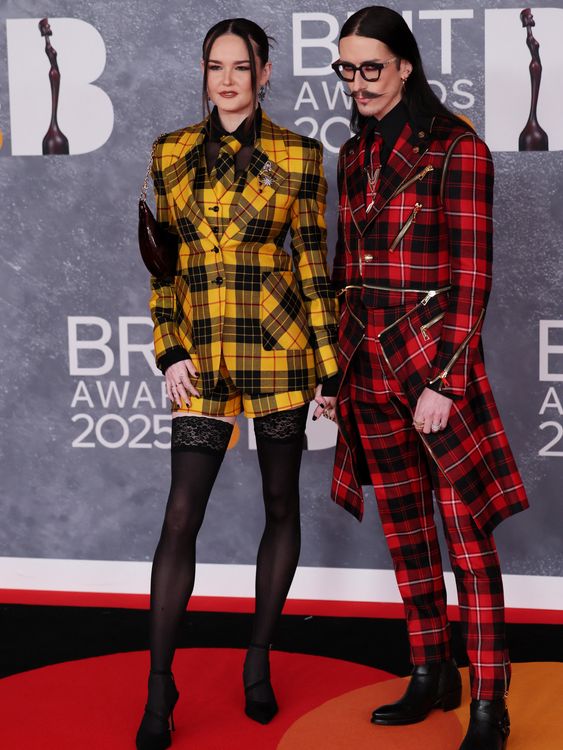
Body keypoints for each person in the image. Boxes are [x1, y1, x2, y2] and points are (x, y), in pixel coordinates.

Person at [136, 18, 339, 750]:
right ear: (204, 71)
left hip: (280, 355)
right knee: (179, 516)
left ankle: (258, 659)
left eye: (240, 67)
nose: (226, 80)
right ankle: (159, 688)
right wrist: (168, 353)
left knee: (280, 503)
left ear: (265, 73)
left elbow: (314, 264)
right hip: (204, 358)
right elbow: (162, 269)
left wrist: (329, 366)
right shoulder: (170, 154)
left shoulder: (299, 155)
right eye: (215, 66)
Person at [329, 7, 528, 750]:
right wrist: (335, 367)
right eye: (346, 70)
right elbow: (346, 270)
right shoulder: (351, 157)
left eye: (370, 68)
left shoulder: (457, 150)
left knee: (465, 541)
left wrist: (445, 382)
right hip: (368, 372)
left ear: (405, 66)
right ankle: (428, 672)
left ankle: (488, 702)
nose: (357, 83)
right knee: (406, 536)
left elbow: (472, 279)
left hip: (433, 376)